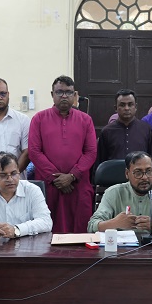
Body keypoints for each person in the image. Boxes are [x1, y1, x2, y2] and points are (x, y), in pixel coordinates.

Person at [29, 75, 96, 233]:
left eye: (68, 92)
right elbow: (34, 151)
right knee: (47, 234)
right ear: (52, 94)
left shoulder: (85, 120)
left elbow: (91, 152)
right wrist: (56, 178)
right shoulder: (39, 119)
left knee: (80, 234)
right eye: (59, 92)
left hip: (78, 186)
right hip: (49, 186)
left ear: (75, 95)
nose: (64, 96)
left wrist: (72, 176)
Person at [87, 151, 152, 233]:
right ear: (127, 173)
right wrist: (115, 223)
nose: (145, 177)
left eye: (149, 171)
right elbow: (92, 225)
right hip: (121, 249)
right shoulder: (113, 192)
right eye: (138, 173)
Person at [96, 89, 152, 170]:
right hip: (114, 176)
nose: (126, 108)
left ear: (135, 107)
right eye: (122, 105)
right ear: (116, 108)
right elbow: (100, 163)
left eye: (130, 104)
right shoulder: (107, 131)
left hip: (141, 176)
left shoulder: (146, 129)